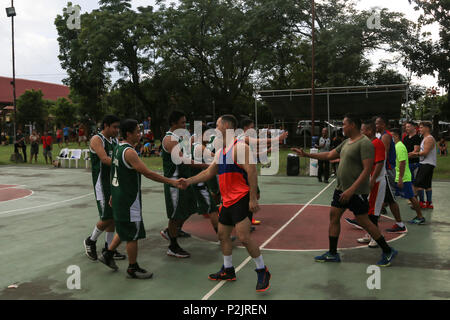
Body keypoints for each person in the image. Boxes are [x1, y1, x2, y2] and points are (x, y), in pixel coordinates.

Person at [179, 114, 271, 292]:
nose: (215, 128)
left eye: (218, 125)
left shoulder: (240, 147)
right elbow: (208, 173)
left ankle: (262, 270)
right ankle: (228, 269)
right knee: (223, 235)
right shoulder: (222, 151)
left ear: (227, 127)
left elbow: (252, 172)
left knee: (244, 237)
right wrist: (188, 181)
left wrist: (252, 198)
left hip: (241, 198)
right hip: (227, 200)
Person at [292, 114, 398, 267]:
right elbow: (329, 155)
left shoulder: (365, 143)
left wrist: (352, 190)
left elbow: (367, 170)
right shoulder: (347, 142)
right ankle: (333, 253)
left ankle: (388, 251)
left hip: (355, 192)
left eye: (344, 124)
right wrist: (306, 154)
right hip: (341, 189)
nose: (342, 127)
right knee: (334, 216)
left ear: (352, 125)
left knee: (364, 222)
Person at [98, 119, 183, 279]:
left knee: (124, 229)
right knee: (133, 235)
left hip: (119, 197)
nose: (140, 134)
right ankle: (132, 268)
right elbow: (148, 173)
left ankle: (108, 254)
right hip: (129, 200)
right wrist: (172, 181)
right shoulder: (129, 152)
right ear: (129, 134)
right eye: (137, 131)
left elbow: (115, 172)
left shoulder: (118, 148)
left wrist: (112, 194)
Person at [160, 110, 205, 258]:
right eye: (182, 122)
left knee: (189, 209)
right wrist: (205, 165)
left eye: (185, 122)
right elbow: (182, 159)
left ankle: (172, 230)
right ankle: (172, 246)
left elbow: (189, 150)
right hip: (175, 182)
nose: (184, 125)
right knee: (175, 215)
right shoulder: (170, 139)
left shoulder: (181, 137)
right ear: (173, 124)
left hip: (185, 179)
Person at [83, 115, 126, 262]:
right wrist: (125, 166)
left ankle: (109, 249)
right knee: (107, 216)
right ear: (106, 126)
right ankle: (91, 240)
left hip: (113, 182)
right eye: (114, 127)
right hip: (102, 184)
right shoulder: (97, 139)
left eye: (118, 127)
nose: (117, 130)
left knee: (113, 216)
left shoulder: (114, 141)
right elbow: (105, 159)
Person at [349, 120, 387, 248]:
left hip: (376, 181)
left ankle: (376, 237)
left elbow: (380, 163)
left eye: (362, 130)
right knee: (367, 208)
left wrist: (372, 179)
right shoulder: (368, 143)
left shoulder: (377, 143)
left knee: (374, 210)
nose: (360, 132)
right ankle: (370, 234)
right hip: (370, 180)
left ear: (369, 131)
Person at [375, 116, 406, 232]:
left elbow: (384, 154)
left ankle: (400, 224)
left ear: (383, 124)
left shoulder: (386, 136)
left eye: (377, 123)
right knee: (381, 197)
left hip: (386, 171)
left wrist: (377, 170)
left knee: (391, 199)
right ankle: (369, 218)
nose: (375, 125)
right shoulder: (382, 135)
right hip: (384, 171)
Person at [390, 128, 425, 224]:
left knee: (411, 197)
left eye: (391, 136)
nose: (389, 138)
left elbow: (402, 162)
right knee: (389, 197)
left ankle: (420, 216)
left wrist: (400, 178)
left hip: (403, 177)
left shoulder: (399, 147)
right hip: (399, 176)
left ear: (396, 136)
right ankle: (375, 213)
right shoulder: (396, 146)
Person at [410, 121, 436, 210]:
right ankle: (428, 203)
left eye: (421, 127)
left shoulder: (429, 139)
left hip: (426, 164)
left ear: (427, 128)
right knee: (427, 185)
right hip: (427, 163)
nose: (419, 129)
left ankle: (421, 203)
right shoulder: (425, 138)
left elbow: (425, 152)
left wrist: (414, 154)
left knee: (417, 184)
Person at [403, 121, 422, 190]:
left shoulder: (417, 138)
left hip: (413, 163)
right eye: (406, 127)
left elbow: (416, 150)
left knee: (414, 181)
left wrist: (405, 157)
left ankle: (415, 197)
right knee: (407, 180)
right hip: (406, 162)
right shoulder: (405, 138)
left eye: (408, 127)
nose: (406, 128)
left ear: (413, 127)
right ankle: (411, 196)